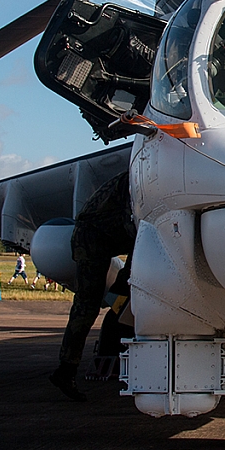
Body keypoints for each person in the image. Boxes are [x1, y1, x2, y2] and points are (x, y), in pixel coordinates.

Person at [50, 171, 136, 402]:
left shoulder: (136, 173)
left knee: (97, 300)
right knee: (88, 305)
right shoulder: (140, 178)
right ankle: (67, 369)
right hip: (92, 239)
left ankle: (66, 369)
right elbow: (135, 225)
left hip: (95, 236)